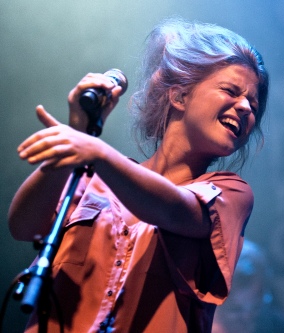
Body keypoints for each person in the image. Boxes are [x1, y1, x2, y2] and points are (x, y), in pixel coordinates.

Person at [8, 17, 269, 332]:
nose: (245, 108)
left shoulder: (231, 194)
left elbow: (172, 208)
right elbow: (23, 226)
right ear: (179, 97)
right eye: (231, 91)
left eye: (254, 105)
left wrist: (96, 150)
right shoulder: (92, 180)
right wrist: (77, 131)